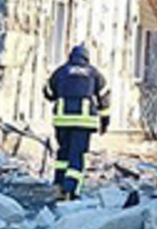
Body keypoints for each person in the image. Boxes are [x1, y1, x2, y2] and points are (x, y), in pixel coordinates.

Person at [43, 44, 111, 200]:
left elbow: (48, 92)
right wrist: (105, 121)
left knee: (63, 152)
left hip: (62, 120)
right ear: (86, 58)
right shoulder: (94, 73)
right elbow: (105, 98)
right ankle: (71, 189)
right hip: (84, 122)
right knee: (77, 155)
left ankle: (59, 184)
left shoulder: (61, 71)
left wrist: (62, 91)